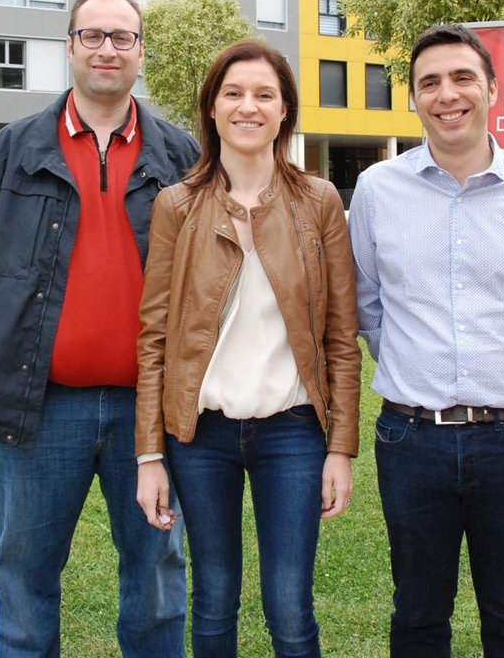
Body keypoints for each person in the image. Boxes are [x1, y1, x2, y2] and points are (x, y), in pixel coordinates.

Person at [0, 0, 196, 658]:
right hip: (36, 411)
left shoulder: (182, 158)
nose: (107, 48)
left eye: (122, 37)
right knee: (23, 582)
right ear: (70, 46)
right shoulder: (8, 152)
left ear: (140, 51)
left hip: (154, 416)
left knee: (159, 582)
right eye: (93, 35)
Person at [348, 24, 504, 658]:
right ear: (413, 98)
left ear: (491, 90)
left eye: (462, 78)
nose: (447, 94)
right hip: (411, 438)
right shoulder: (376, 191)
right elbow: (367, 305)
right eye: (430, 82)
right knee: (418, 615)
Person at [134, 39, 361, 658]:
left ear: (285, 110)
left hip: (292, 433)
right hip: (200, 438)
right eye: (233, 93)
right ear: (211, 108)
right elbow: (153, 338)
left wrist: (340, 447)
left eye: (265, 94)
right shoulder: (176, 206)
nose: (248, 106)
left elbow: (342, 337)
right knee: (212, 602)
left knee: (290, 607)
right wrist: (149, 455)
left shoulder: (320, 202)